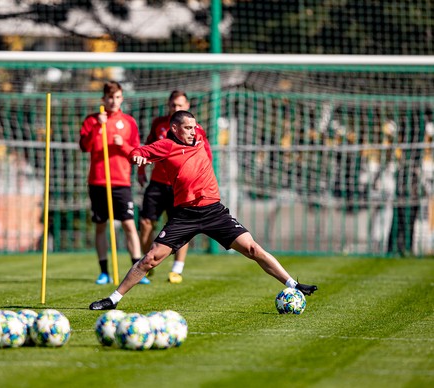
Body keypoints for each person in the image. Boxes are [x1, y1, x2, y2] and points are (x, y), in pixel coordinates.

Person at [89, 110, 317, 310]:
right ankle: (113, 299)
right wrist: (137, 157)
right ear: (174, 128)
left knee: (252, 248)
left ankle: (293, 284)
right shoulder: (167, 146)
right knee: (149, 259)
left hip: (214, 212)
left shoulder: (199, 138)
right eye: (187, 128)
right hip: (185, 215)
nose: (193, 131)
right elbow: (137, 152)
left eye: (194, 127)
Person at [137, 90, 212, 284]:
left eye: (180, 105)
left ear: (187, 106)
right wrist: (140, 171)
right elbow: (148, 147)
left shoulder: (196, 130)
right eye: (173, 105)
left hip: (181, 187)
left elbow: (206, 157)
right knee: (145, 223)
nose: (176, 108)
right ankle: (147, 261)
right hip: (157, 183)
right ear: (168, 106)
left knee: (182, 228)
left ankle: (177, 269)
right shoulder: (159, 124)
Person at [79, 81, 149, 285]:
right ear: (103, 99)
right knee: (101, 226)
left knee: (129, 224)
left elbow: (137, 152)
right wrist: (96, 128)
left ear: (122, 99)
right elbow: (84, 146)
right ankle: (104, 272)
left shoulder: (128, 122)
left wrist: (123, 145)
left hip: (121, 181)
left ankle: (137, 270)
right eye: (110, 97)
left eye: (117, 97)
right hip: (98, 181)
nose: (113, 101)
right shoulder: (92, 120)